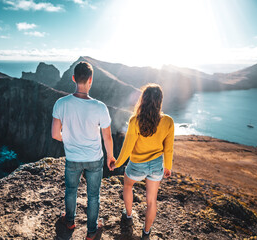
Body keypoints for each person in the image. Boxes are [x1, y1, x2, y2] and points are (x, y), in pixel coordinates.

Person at [51, 61, 116, 240]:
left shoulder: (60, 103)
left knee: (71, 190)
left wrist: (70, 138)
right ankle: (91, 232)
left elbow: (55, 134)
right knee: (93, 195)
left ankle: (70, 221)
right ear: (90, 80)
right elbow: (107, 137)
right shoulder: (100, 107)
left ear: (73, 78)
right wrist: (111, 157)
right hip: (95, 159)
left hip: (72, 158)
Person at [108, 83, 174, 240]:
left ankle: (129, 215)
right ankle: (146, 233)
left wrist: (117, 163)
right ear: (160, 101)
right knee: (151, 201)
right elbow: (169, 148)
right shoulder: (168, 121)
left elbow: (127, 148)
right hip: (157, 166)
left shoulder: (135, 121)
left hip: (137, 165)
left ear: (143, 100)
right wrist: (168, 167)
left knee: (128, 185)